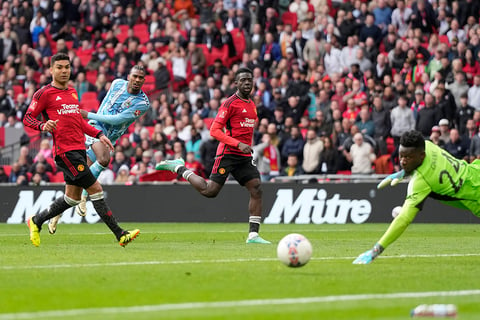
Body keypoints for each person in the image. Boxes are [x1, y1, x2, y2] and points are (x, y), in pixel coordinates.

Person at [22, 53, 139, 247]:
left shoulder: (72, 92)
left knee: (72, 198)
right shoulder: (44, 93)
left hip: (79, 149)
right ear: (51, 70)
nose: (64, 71)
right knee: (95, 188)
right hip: (65, 152)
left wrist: (100, 134)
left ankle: (36, 221)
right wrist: (43, 126)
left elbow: (79, 122)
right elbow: (27, 118)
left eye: (67, 67)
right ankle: (120, 234)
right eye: (59, 67)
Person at [155, 68, 270, 244]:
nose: (247, 83)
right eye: (243, 80)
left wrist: (245, 146)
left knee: (256, 188)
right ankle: (179, 167)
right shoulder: (229, 103)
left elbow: (245, 131)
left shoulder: (252, 105)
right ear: (236, 84)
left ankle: (253, 235)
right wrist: (238, 144)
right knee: (210, 191)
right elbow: (214, 131)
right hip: (228, 153)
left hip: (243, 157)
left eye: (250, 80)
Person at [49, 65, 150, 233]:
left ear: (144, 81)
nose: (137, 80)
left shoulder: (143, 103)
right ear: (129, 76)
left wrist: (87, 114)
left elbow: (117, 119)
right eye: (135, 76)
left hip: (110, 135)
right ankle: (84, 197)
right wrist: (91, 121)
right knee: (104, 159)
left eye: (141, 78)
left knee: (77, 183)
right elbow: (105, 105)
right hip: (96, 127)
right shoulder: (117, 84)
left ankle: (55, 215)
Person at [353, 130, 480, 264]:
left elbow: (403, 219)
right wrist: (404, 172)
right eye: (401, 156)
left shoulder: (422, 182)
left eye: (408, 157)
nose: (403, 161)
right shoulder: (427, 145)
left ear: (421, 155)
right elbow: (425, 164)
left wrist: (375, 250)